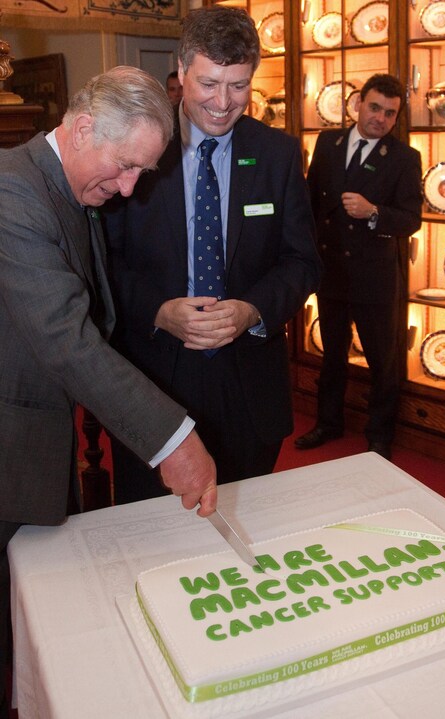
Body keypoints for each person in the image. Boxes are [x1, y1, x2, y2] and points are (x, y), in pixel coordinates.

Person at [0, 65, 218, 719]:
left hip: (38, 440)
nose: (128, 188)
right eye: (125, 166)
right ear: (84, 124)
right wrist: (174, 439)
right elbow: (68, 339)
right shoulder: (13, 192)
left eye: (140, 175)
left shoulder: (68, 185)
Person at [102, 6, 321, 504]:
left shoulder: (278, 155)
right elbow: (103, 262)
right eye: (209, 83)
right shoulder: (135, 147)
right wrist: (158, 310)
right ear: (181, 71)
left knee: (244, 539)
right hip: (153, 387)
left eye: (239, 86)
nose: (223, 103)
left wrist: (252, 310)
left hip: (249, 392)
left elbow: (302, 262)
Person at [295, 73, 422, 460]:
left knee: (383, 362)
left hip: (375, 277)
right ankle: (328, 423)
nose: (380, 118)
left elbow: (410, 219)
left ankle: (379, 436)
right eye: (374, 107)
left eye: (390, 113)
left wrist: (374, 213)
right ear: (357, 104)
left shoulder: (404, 158)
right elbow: (312, 202)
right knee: (331, 355)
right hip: (332, 271)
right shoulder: (328, 143)